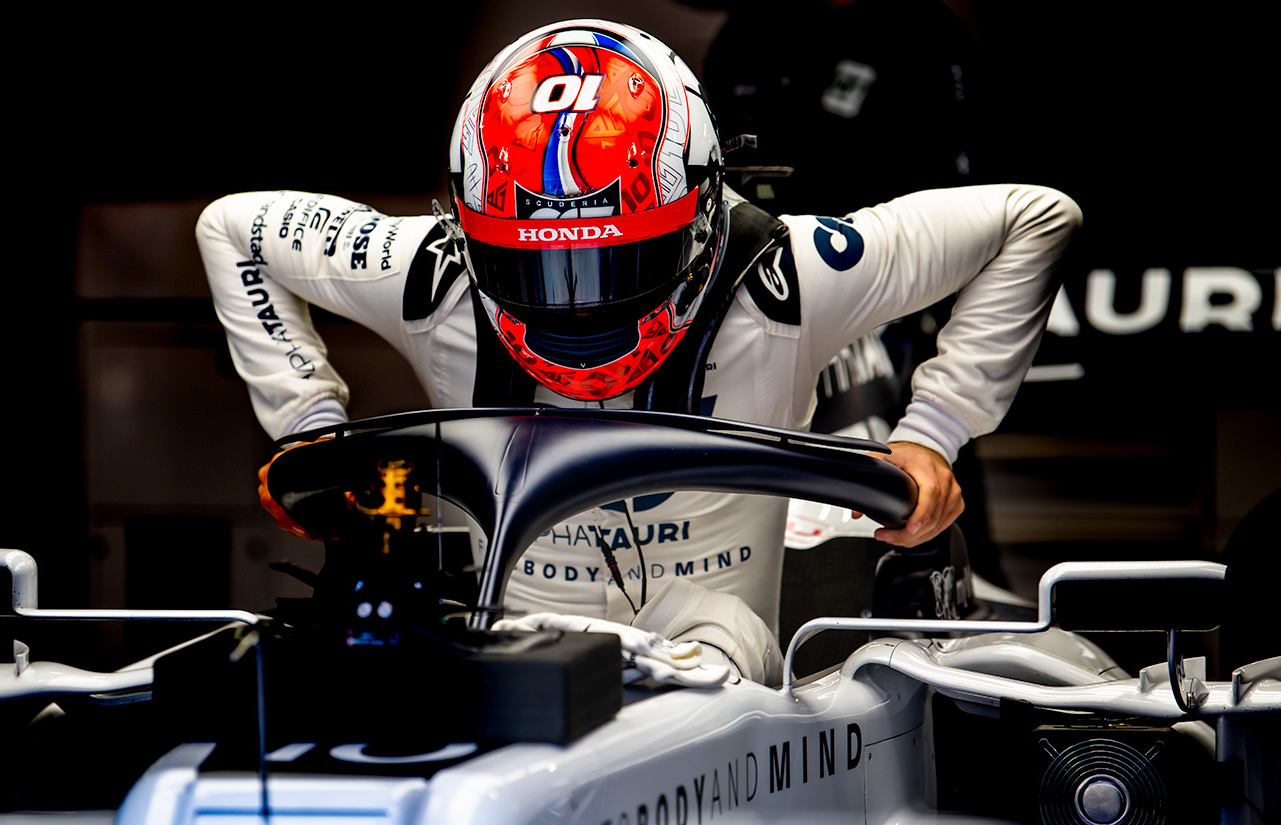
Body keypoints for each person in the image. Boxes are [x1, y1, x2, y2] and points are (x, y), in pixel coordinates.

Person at [196, 19, 1080, 686]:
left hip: (723, 660)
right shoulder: (431, 273)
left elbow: (1034, 215)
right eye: (531, 264)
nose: (577, 301)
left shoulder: (787, 275)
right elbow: (232, 227)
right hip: (497, 656)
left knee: (711, 647)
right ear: (467, 233)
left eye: (617, 259)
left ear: (703, 209)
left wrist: (932, 432)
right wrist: (309, 425)